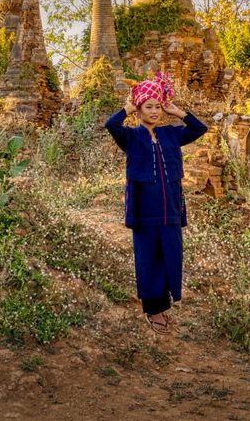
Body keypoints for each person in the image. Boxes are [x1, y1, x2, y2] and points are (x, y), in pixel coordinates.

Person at [104, 72, 207, 335]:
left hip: (170, 208)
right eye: (148, 106)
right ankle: (153, 310)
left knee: (170, 254)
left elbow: (199, 129)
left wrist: (177, 111)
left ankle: (166, 304)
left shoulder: (171, 134)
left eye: (158, 106)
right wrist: (130, 105)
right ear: (138, 110)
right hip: (144, 210)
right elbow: (111, 124)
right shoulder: (131, 137)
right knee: (148, 257)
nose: (154, 111)